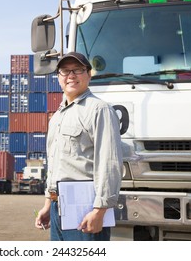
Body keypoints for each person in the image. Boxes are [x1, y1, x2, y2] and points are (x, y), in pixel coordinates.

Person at [34, 52, 123, 241]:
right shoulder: (57, 117)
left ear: (89, 74)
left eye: (78, 70)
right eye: (65, 71)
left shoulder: (99, 110)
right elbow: (56, 166)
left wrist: (99, 211)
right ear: (58, 77)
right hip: (58, 208)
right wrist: (48, 204)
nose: (71, 76)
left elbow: (109, 163)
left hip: (86, 209)